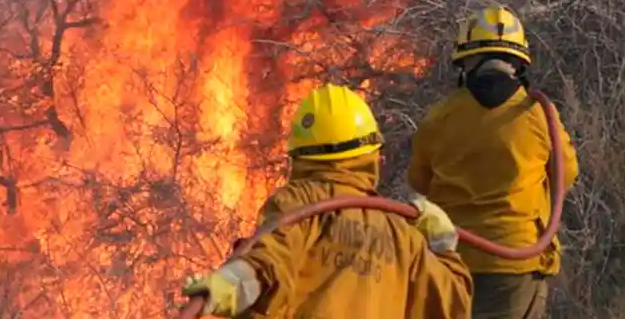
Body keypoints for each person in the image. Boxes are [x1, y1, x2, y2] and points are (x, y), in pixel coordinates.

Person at [182, 84, 475, 318]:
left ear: (300, 157)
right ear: (372, 155)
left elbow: (269, 262)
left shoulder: (300, 203)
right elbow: (454, 305)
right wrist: (443, 244)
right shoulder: (403, 236)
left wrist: (230, 284)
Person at [408, 3, 581, 319]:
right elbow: (565, 176)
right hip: (516, 266)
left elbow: (419, 182)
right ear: (518, 63)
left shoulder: (440, 118)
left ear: (466, 62)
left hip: (452, 261)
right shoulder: (538, 115)